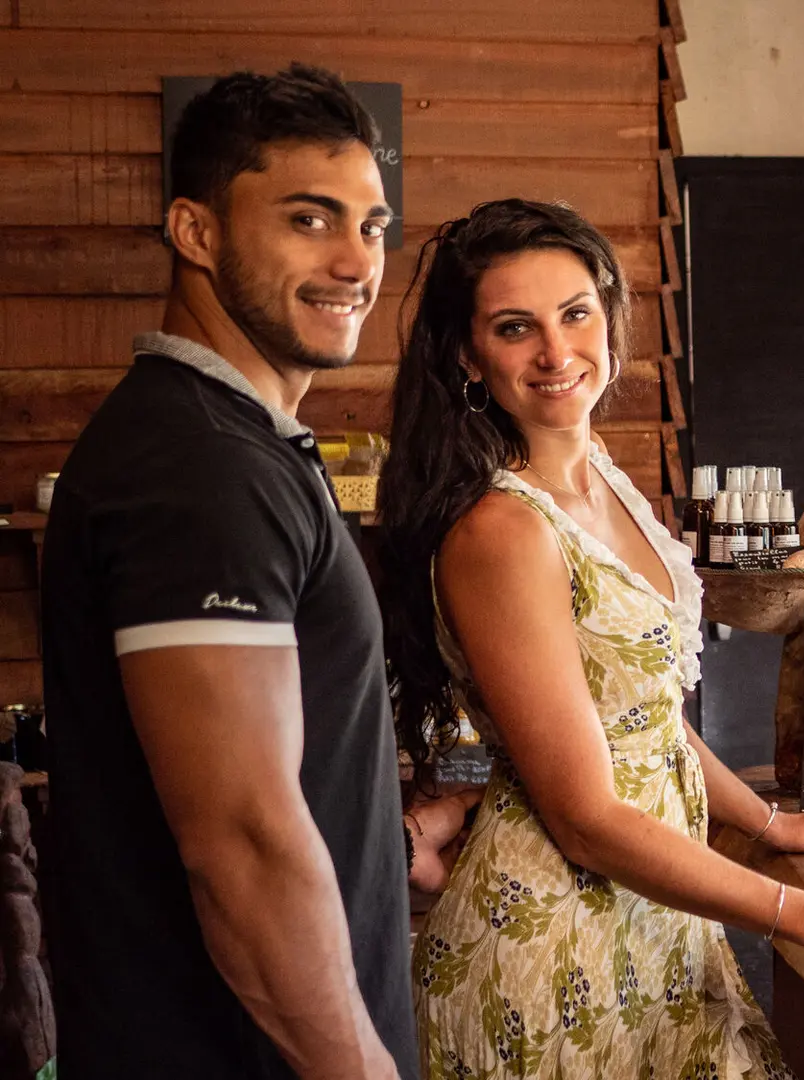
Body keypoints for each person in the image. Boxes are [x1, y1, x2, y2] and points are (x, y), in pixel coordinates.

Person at [380, 199, 804, 1079]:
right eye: (514, 327)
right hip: (551, 951)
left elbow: (643, 718)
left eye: (575, 314)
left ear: (609, 315)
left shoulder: (603, 478)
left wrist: (773, 824)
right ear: (466, 354)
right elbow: (586, 819)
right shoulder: (502, 530)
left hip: (656, 924)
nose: (557, 353)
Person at [41, 66, 432, 1077]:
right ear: (196, 232)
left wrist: (378, 841)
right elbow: (242, 845)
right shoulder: (200, 468)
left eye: (373, 224)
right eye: (310, 219)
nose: (356, 261)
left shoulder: (236, 447)